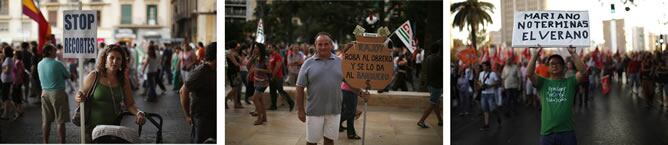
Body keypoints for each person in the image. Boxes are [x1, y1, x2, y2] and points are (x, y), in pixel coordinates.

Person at [74, 45, 146, 143]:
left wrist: (138, 113)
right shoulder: (94, 76)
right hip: (91, 129)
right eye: (111, 58)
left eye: (118, 59)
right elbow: (79, 99)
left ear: (122, 62)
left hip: (113, 129)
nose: (115, 61)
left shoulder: (123, 80)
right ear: (105, 59)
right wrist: (79, 98)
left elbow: (130, 104)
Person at [526, 46, 585, 145]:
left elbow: (583, 72)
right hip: (547, 133)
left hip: (567, 132)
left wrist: (574, 54)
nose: (554, 65)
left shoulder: (570, 82)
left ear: (564, 67)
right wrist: (535, 54)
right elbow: (529, 73)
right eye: (551, 64)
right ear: (548, 68)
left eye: (558, 63)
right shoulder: (543, 83)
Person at [296, 32, 343, 145]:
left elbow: (349, 81)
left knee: (329, 141)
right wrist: (300, 110)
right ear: (315, 45)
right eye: (320, 44)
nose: (323, 47)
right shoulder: (307, 63)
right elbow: (299, 87)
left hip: (334, 110)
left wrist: (360, 92)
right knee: (312, 142)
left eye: (326, 44)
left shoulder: (340, 62)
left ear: (331, 45)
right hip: (314, 111)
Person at [180, 42, 217, 143]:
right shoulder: (201, 72)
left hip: (212, 116)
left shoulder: (215, 70)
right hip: (202, 118)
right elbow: (183, 91)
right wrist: (187, 115)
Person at [37, 44, 71, 143]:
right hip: (57, 93)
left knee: (46, 121)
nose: (56, 51)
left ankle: (45, 142)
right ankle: (61, 143)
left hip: (44, 93)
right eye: (54, 50)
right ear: (49, 52)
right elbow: (68, 75)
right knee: (60, 121)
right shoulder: (57, 63)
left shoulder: (40, 64)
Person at [335, 42, 369, 139]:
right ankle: (335, 123)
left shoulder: (348, 58)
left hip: (349, 88)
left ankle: (350, 132)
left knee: (350, 111)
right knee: (350, 112)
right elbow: (346, 78)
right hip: (348, 89)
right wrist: (358, 90)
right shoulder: (345, 59)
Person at [417, 43, 443, 128]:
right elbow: (441, 72)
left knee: (436, 102)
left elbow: (425, 71)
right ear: (438, 50)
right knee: (433, 103)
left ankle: (440, 120)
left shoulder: (428, 58)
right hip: (437, 84)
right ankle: (421, 121)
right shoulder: (438, 59)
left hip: (430, 84)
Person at [267, 43, 294, 111]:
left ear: (274, 48)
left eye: (270, 47)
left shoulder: (277, 56)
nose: (268, 49)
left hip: (278, 77)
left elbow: (277, 67)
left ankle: (291, 102)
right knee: (272, 91)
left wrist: (273, 76)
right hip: (272, 76)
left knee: (280, 91)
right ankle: (273, 106)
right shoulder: (271, 56)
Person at [250, 43, 271, 125]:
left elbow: (269, 71)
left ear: (260, 49)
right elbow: (249, 66)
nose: (255, 49)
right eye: (254, 48)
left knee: (255, 99)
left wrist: (258, 69)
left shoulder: (265, 59)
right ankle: (264, 117)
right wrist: (252, 57)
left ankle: (259, 118)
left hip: (263, 82)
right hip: (257, 81)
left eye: (256, 48)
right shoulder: (256, 58)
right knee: (260, 100)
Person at [225, 41, 242, 109]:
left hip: (235, 71)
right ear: (234, 46)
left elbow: (240, 60)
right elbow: (236, 63)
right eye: (237, 46)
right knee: (235, 88)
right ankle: (225, 100)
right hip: (233, 72)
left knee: (236, 88)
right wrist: (239, 62)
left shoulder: (233, 53)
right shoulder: (230, 53)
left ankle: (236, 104)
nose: (238, 47)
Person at [1, 46, 16, 120]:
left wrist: (2, 69)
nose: (2, 51)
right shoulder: (9, 59)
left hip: (7, 80)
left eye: (3, 50)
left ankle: (6, 114)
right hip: (7, 80)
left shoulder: (8, 59)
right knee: (6, 97)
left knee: (5, 97)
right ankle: (12, 111)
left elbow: (7, 71)